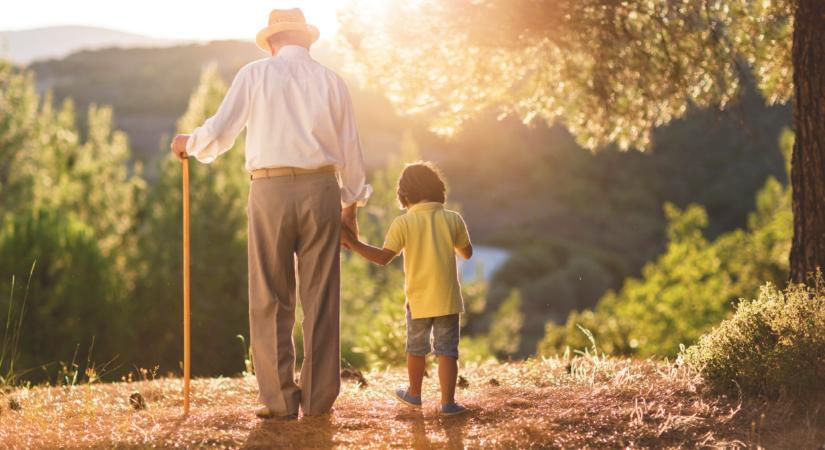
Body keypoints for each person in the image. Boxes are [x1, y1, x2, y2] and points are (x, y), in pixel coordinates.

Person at [170, 8, 372, 419]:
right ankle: (317, 403)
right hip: (322, 190)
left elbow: (221, 133)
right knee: (321, 297)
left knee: (270, 296)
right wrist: (350, 207)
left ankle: (280, 401)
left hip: (269, 190)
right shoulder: (333, 81)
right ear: (307, 40)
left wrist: (188, 143)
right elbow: (351, 151)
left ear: (273, 41)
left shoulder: (255, 74)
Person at [341, 161, 472, 416]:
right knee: (447, 351)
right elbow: (466, 253)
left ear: (404, 195)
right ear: (438, 189)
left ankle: (414, 394)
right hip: (447, 299)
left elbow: (382, 258)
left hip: (419, 300)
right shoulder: (452, 219)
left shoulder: (403, 223)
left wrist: (351, 242)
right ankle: (448, 403)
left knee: (416, 349)